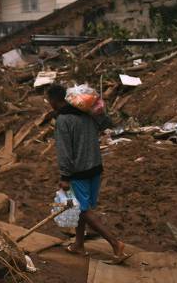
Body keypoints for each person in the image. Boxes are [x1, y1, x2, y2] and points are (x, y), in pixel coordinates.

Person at [46, 84, 130, 264]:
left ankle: (115, 244)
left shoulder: (63, 120)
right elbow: (107, 124)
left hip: (79, 172)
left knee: (82, 210)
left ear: (53, 101)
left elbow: (64, 151)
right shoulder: (86, 113)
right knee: (81, 207)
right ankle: (78, 244)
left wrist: (64, 176)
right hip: (96, 168)